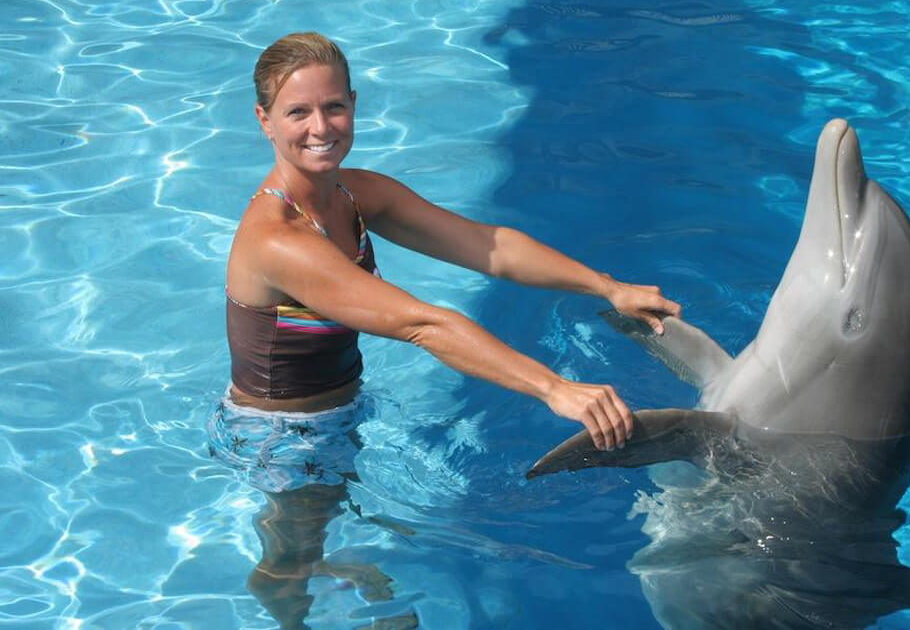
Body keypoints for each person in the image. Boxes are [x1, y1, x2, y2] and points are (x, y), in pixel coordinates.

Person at [207, 31, 681, 629]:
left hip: (340, 409)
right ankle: (290, 616)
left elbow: (487, 245)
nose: (320, 127)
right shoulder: (278, 240)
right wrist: (555, 389)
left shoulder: (352, 194)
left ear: (354, 104)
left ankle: (325, 571)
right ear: (265, 121)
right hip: (283, 439)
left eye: (334, 106)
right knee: (288, 562)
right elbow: (424, 324)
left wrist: (608, 287)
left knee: (326, 522)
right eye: (297, 112)